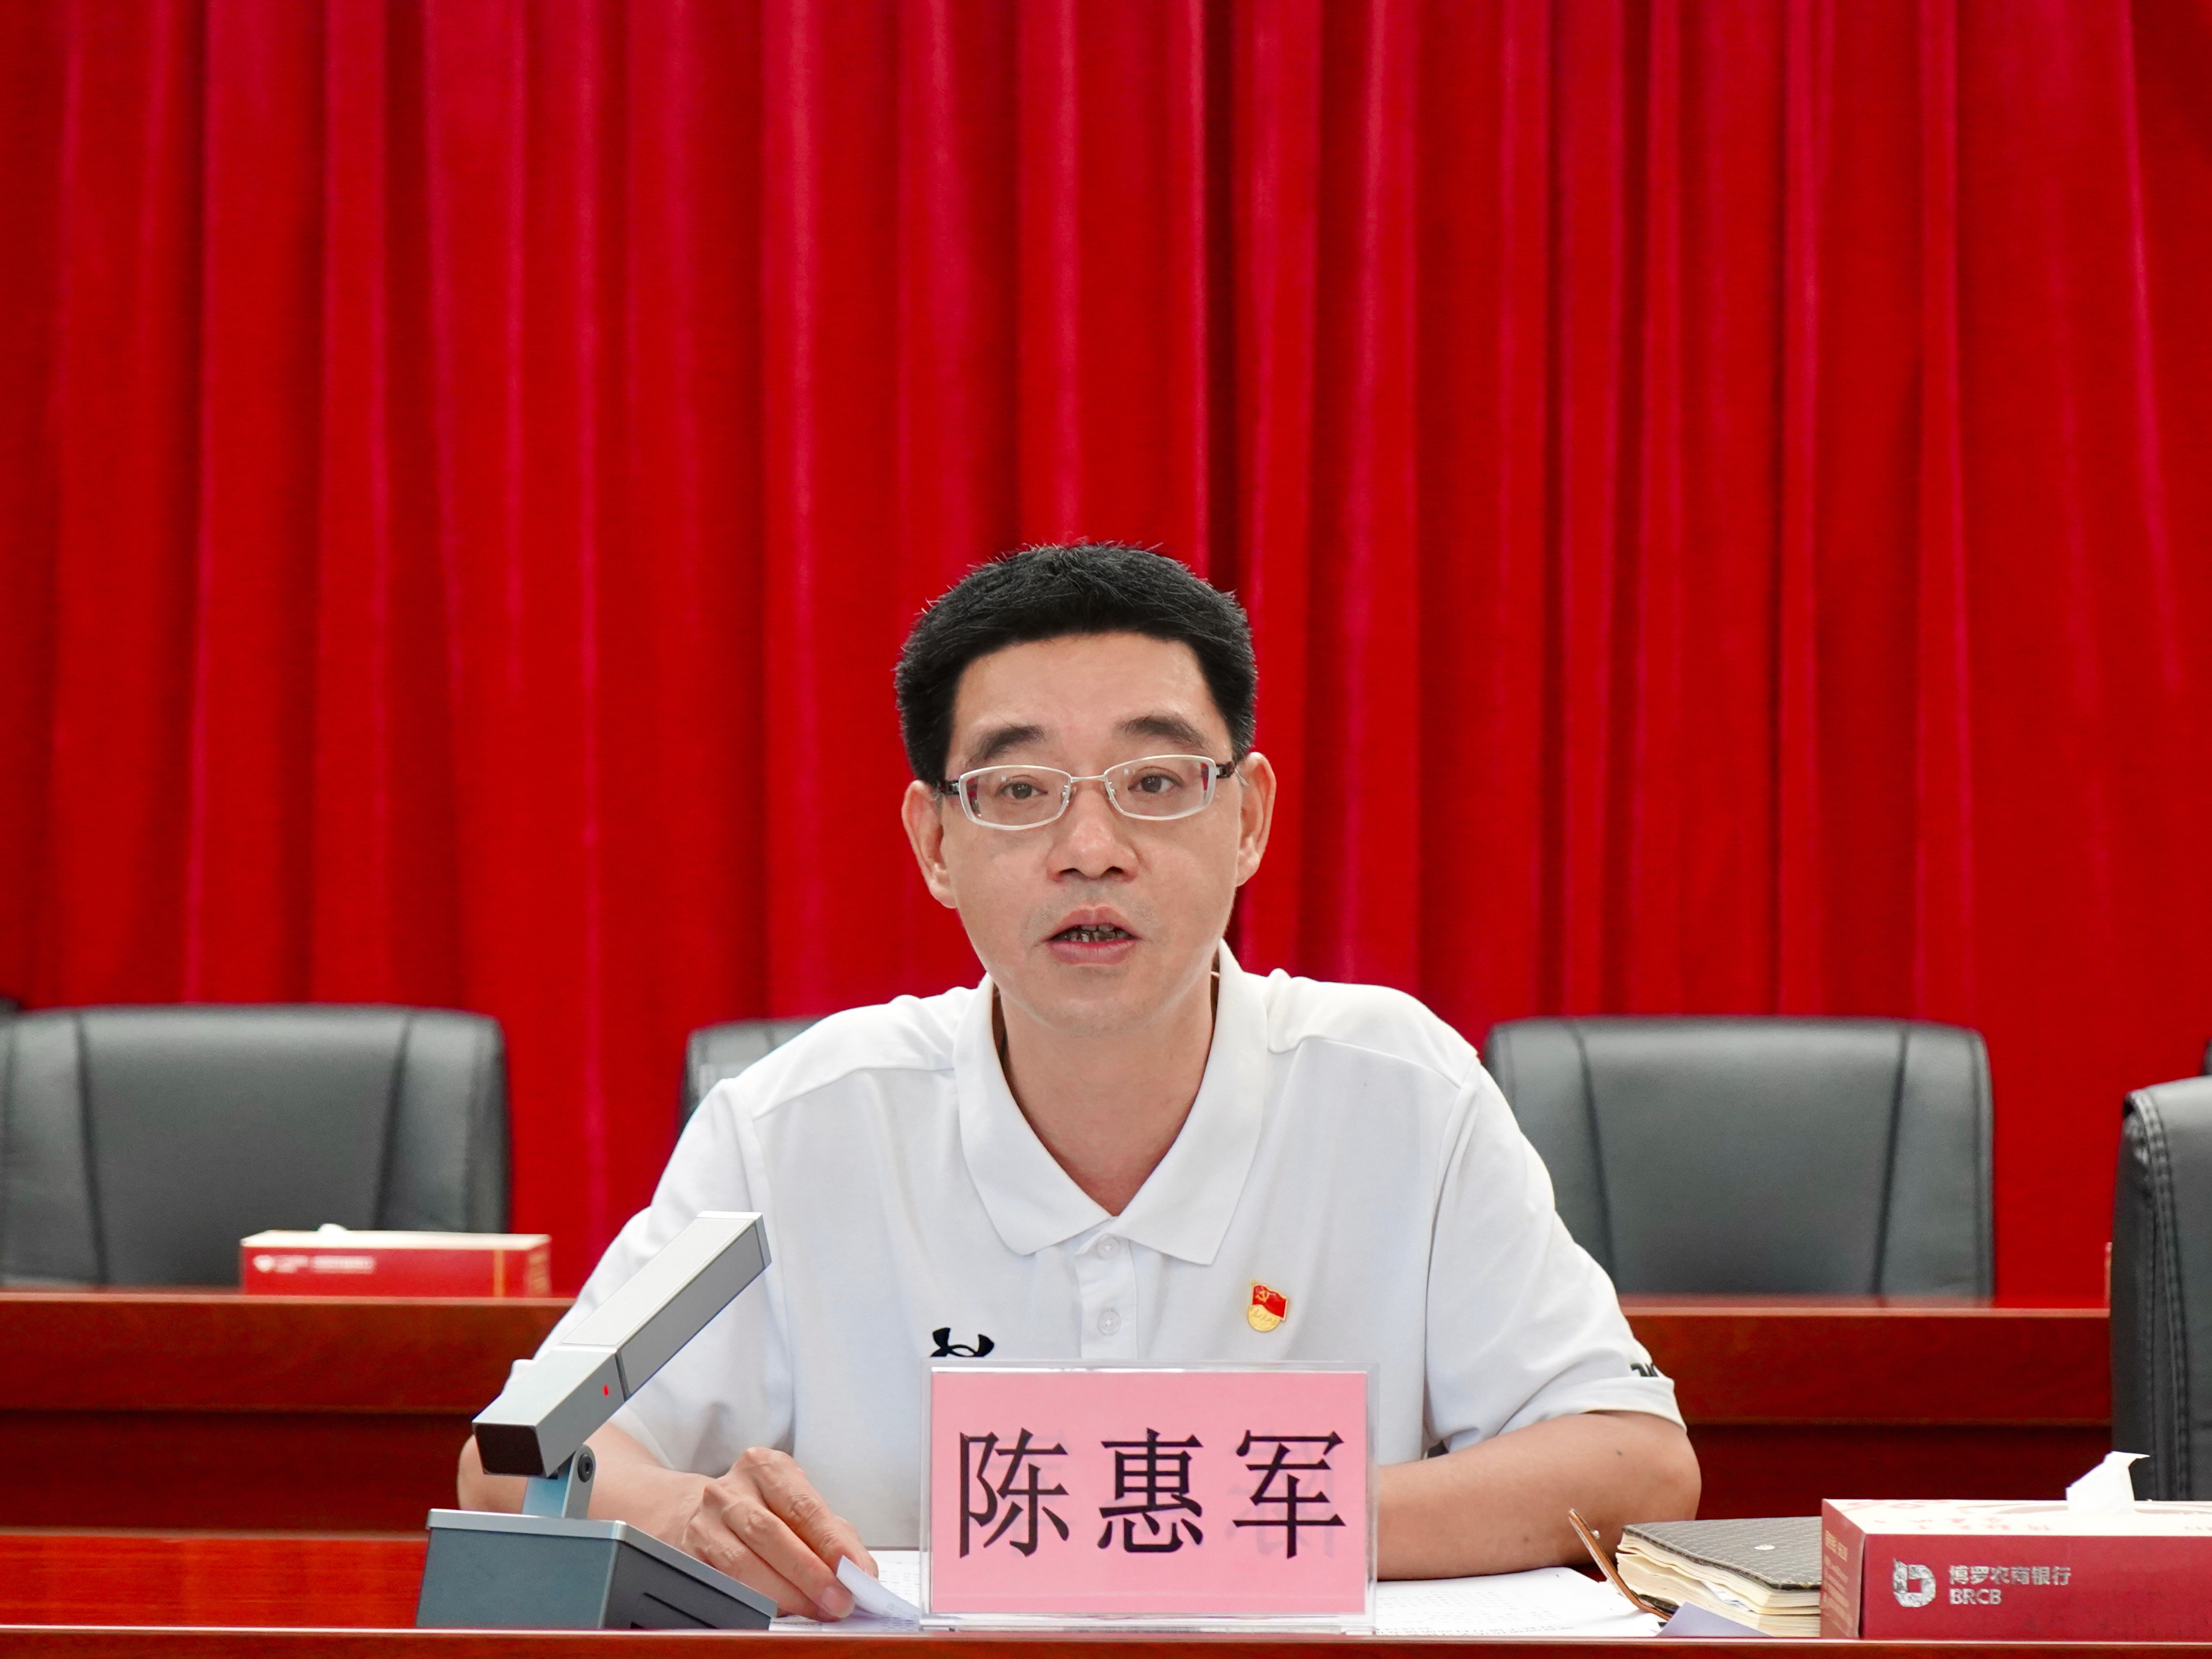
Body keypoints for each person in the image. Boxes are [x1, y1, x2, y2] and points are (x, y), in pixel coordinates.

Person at [458, 542, 1699, 1618]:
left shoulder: (1399, 1090)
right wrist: (690, 1519)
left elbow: (1636, 1462)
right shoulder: (793, 1123)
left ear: (1248, 819)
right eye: (1019, 792)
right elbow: (514, 1459)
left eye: (1155, 784)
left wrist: (1211, 1521)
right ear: (935, 843)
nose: (1091, 851)